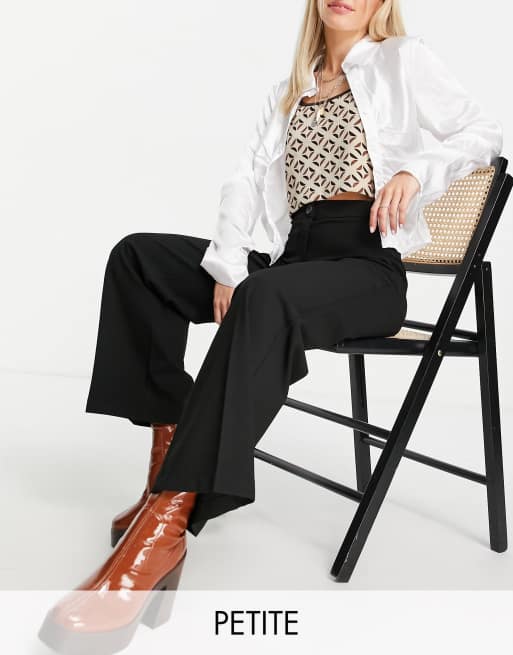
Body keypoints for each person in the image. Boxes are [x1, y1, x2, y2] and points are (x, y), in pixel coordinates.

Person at [38, 0, 503, 649]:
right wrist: (228, 266)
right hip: (291, 262)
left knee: (265, 297)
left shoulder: (402, 60)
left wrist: (412, 171)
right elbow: (246, 181)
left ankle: (166, 522)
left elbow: (483, 133)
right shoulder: (290, 90)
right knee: (140, 259)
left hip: (366, 268)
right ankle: (167, 463)